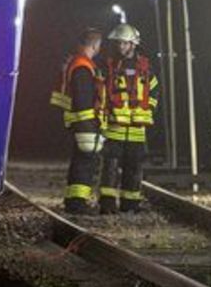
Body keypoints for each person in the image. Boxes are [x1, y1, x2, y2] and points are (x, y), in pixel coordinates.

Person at [96, 24, 158, 213]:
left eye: (124, 43)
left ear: (133, 44)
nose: (120, 47)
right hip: (114, 127)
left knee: (134, 169)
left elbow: (154, 92)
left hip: (137, 129)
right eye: (118, 43)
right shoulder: (109, 66)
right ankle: (107, 205)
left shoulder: (146, 67)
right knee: (110, 168)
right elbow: (102, 93)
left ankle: (130, 206)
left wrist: (147, 111)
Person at [51, 27, 104, 214]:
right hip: (85, 122)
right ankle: (78, 204)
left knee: (80, 161)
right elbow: (83, 98)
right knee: (86, 162)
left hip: (79, 121)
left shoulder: (77, 62)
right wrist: (92, 120)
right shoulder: (83, 65)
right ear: (95, 45)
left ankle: (73, 200)